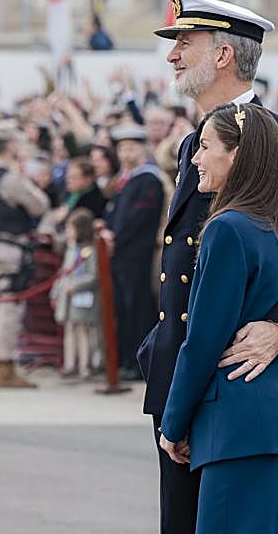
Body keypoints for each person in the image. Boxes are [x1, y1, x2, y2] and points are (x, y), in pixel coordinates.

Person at [137, 0, 278, 534]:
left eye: (184, 42)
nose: (173, 55)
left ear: (223, 55)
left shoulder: (273, 139)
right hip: (185, 374)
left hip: (231, 380)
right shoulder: (192, 144)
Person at [159, 103, 278, 533]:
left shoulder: (227, 228)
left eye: (206, 146)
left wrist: (172, 423)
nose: (195, 157)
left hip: (239, 426)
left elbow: (203, 341)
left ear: (236, 155)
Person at [0, 119, 50, 388]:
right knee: (8, 306)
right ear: (10, 145)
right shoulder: (9, 177)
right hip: (9, 247)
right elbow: (39, 205)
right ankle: (5, 365)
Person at [107, 124, 164, 381]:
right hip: (121, 254)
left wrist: (116, 236)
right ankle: (126, 359)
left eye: (131, 148)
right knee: (123, 308)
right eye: (121, 148)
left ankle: (139, 362)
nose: (125, 154)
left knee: (138, 307)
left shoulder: (149, 179)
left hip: (138, 254)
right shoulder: (126, 180)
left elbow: (139, 217)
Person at [50, 208, 101, 379]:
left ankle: (85, 366)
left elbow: (93, 276)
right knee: (70, 330)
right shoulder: (72, 251)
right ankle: (69, 364)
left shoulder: (91, 252)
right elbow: (64, 272)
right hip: (68, 299)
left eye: (71, 228)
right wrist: (56, 292)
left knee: (83, 332)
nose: (68, 232)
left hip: (83, 298)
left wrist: (76, 286)